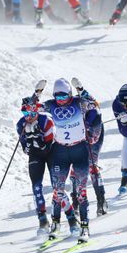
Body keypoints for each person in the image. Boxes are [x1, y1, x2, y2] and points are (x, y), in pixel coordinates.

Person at [41, 78, 101, 243]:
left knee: (81, 191)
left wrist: (81, 89)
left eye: (63, 96)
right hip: (60, 150)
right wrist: (36, 93)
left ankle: (84, 227)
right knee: (57, 190)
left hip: (79, 149)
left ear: (69, 94)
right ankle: (55, 225)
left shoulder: (79, 103)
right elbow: (30, 110)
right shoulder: (50, 105)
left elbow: (95, 104)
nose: (60, 101)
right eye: (57, 97)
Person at [16, 96, 55, 235]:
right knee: (36, 187)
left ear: (36, 111)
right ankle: (43, 220)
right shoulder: (21, 125)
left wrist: (39, 139)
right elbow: (25, 149)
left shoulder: (46, 120)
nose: (28, 117)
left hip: (51, 154)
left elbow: (50, 146)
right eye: (25, 114)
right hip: (35, 155)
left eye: (32, 114)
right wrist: (30, 142)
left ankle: (67, 217)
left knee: (56, 185)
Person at [68, 79, 107, 217]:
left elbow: (95, 134)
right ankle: (76, 201)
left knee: (91, 165)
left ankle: (101, 200)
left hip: (93, 136)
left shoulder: (92, 111)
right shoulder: (69, 107)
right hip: (77, 138)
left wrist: (88, 135)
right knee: (74, 167)